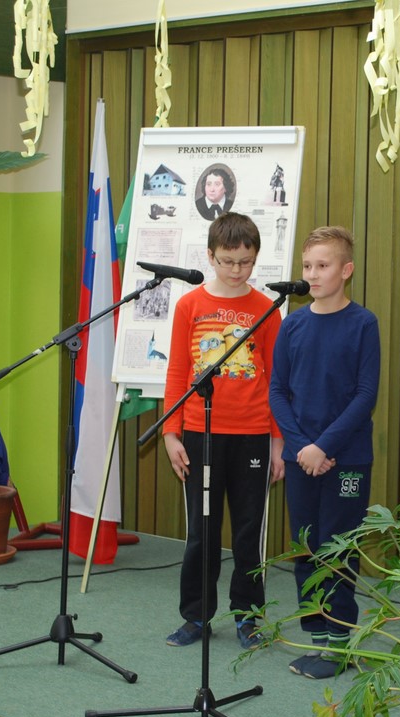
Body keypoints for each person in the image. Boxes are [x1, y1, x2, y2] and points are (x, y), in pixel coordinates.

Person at [162, 212, 284, 651]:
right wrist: (171, 433)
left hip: (253, 433)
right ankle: (196, 615)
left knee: (248, 531)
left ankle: (248, 617)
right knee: (203, 530)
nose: (236, 270)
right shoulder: (189, 306)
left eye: (245, 262)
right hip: (201, 432)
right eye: (228, 261)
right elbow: (177, 371)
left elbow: (277, 379)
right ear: (210, 256)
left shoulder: (268, 309)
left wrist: (278, 442)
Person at [270, 226, 380, 680]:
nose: (312, 274)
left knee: (338, 549)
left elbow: (365, 394)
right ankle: (316, 637)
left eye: (323, 265)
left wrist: (324, 446)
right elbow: (278, 391)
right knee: (307, 547)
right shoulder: (292, 324)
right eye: (307, 266)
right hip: (301, 459)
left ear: (346, 269)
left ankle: (340, 643)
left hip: (345, 459)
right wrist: (302, 447)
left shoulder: (363, 324)